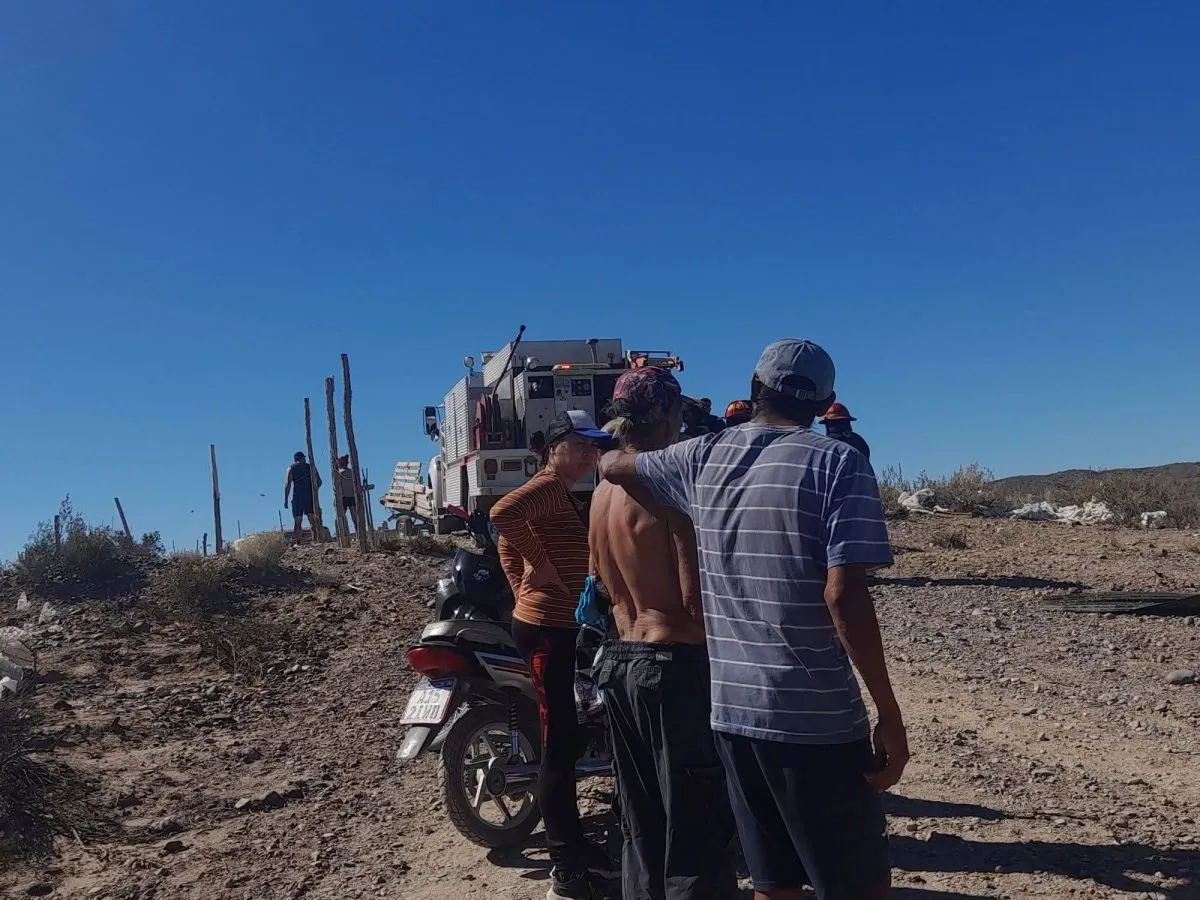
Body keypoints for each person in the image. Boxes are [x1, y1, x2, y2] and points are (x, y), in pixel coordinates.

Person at [599, 339, 908, 900]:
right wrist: (887, 711)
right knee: (858, 884)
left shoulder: (700, 458)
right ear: (824, 402)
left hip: (732, 713)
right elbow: (843, 597)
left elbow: (617, 463)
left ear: (752, 388)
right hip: (812, 714)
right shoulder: (839, 462)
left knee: (772, 881)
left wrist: (604, 458)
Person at [590, 367, 740, 900]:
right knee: (694, 819)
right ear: (666, 415)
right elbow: (695, 597)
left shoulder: (602, 491)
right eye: (679, 412)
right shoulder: (662, 482)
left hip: (620, 658)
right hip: (672, 663)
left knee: (641, 818)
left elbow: (601, 582)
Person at [490, 410, 616, 899]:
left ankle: (576, 847)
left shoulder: (558, 490)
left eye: (596, 447)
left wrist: (521, 581)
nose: (591, 455)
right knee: (559, 747)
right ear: (556, 447)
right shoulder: (546, 484)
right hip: (546, 630)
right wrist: (538, 573)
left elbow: (505, 542)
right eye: (582, 446)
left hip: (554, 625)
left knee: (566, 738)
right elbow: (502, 516)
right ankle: (566, 866)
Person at [283, 452, 322, 542]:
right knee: (312, 519)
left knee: (297, 521)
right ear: (301, 458)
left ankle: (298, 541)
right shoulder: (310, 467)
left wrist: (286, 499)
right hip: (309, 496)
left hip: (297, 497)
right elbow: (319, 482)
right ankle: (316, 539)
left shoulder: (291, 468)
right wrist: (314, 492)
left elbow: (288, 484)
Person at [336, 455, 357, 534]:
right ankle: (358, 532)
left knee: (341, 517)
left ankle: (341, 533)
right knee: (355, 518)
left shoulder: (339, 474)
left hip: (343, 497)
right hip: (351, 496)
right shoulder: (352, 472)